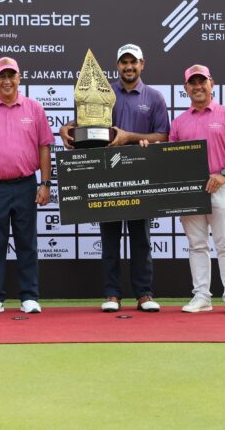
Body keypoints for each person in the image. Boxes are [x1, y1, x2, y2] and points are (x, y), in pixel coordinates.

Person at [60, 44, 169, 312]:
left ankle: (144, 294)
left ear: (142, 64)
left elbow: (163, 136)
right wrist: (66, 128)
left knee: (141, 238)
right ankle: (112, 294)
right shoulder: (103, 92)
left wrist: (130, 137)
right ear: (118, 65)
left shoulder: (154, 97)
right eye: (124, 62)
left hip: (140, 174)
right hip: (106, 173)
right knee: (109, 238)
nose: (128, 67)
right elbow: (84, 123)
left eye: (133, 62)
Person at [0, 57, 53, 315]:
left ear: (19, 77)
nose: (7, 81)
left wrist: (45, 183)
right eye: (1, 76)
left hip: (25, 185)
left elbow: (44, 147)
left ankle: (29, 296)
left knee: (27, 243)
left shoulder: (34, 109)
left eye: (11, 75)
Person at [166, 64, 225, 315]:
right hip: (190, 189)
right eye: (192, 83)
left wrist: (224, 174)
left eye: (202, 81)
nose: (198, 86)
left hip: (219, 186)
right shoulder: (179, 122)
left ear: (211, 84)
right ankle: (202, 296)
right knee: (197, 245)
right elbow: (169, 156)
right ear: (186, 88)